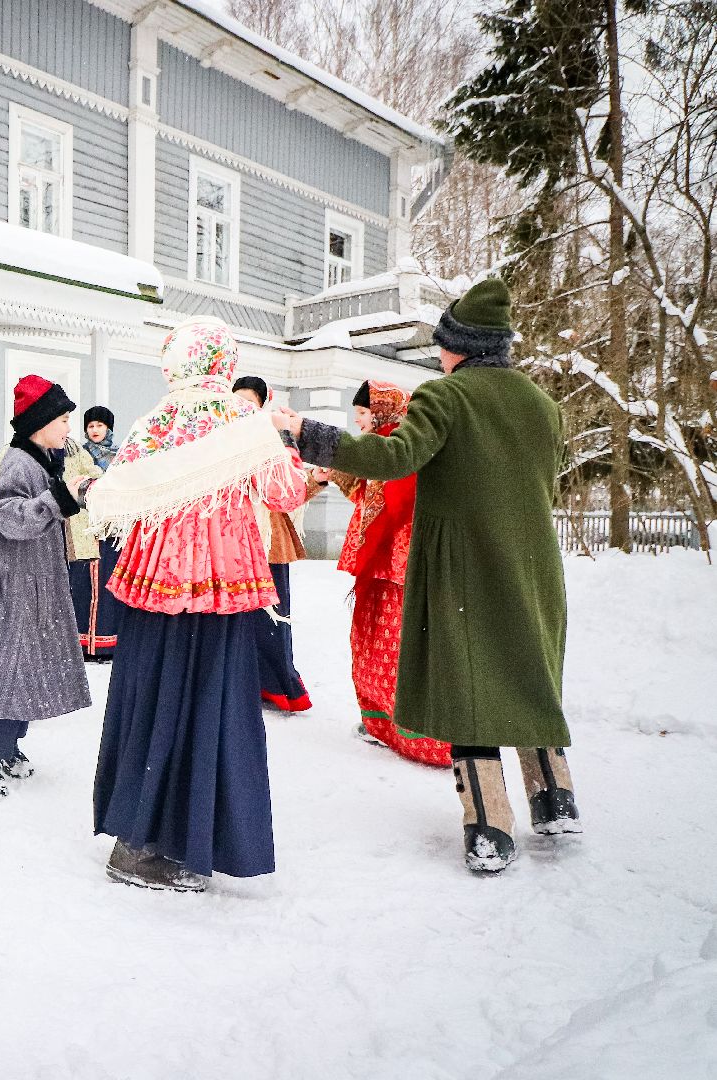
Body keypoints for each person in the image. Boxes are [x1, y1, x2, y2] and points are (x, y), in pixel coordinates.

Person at [273, 278, 581, 874]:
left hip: (464, 565)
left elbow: (392, 458)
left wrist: (309, 435)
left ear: (460, 347)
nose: (438, 355)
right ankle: (554, 798)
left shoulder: (445, 397)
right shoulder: (544, 405)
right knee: (529, 672)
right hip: (535, 562)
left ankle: (489, 828)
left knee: (469, 682)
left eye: (443, 345)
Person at [88, 318, 308, 892]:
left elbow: (115, 495)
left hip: (152, 583)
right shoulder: (242, 420)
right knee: (211, 706)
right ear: (223, 362)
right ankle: (191, 841)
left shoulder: (153, 421)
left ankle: (134, 841)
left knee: (149, 699)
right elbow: (286, 493)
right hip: (221, 585)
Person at [0, 376, 92, 798]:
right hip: (14, 585)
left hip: (38, 580)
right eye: (62, 418)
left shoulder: (44, 458)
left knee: (27, 667)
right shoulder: (19, 461)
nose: (67, 427)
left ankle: (8, 748)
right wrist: (54, 501)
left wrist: (72, 492)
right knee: (8, 670)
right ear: (39, 422)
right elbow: (5, 514)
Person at [323, 381, 451, 767]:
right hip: (375, 561)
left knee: (397, 646)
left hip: (398, 561)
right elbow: (363, 494)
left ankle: (420, 736)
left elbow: (399, 499)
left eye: (362, 413)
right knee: (370, 641)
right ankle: (379, 723)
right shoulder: (373, 448)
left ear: (380, 411)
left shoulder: (400, 448)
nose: (357, 420)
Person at [231, 376, 316, 712]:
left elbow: (289, 491)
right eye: (235, 398)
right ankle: (240, 682)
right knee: (239, 617)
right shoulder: (224, 435)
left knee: (273, 616)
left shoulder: (275, 437)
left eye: (248, 400)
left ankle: (276, 683)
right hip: (234, 539)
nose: (241, 406)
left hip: (269, 538)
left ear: (263, 402)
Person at [66, 410, 126, 661]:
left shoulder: (121, 456)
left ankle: (106, 645)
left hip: (111, 529)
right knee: (82, 585)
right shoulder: (78, 455)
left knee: (107, 585)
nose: (94, 430)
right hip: (83, 528)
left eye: (100, 425)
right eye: (90, 425)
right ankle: (82, 644)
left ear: (109, 428)